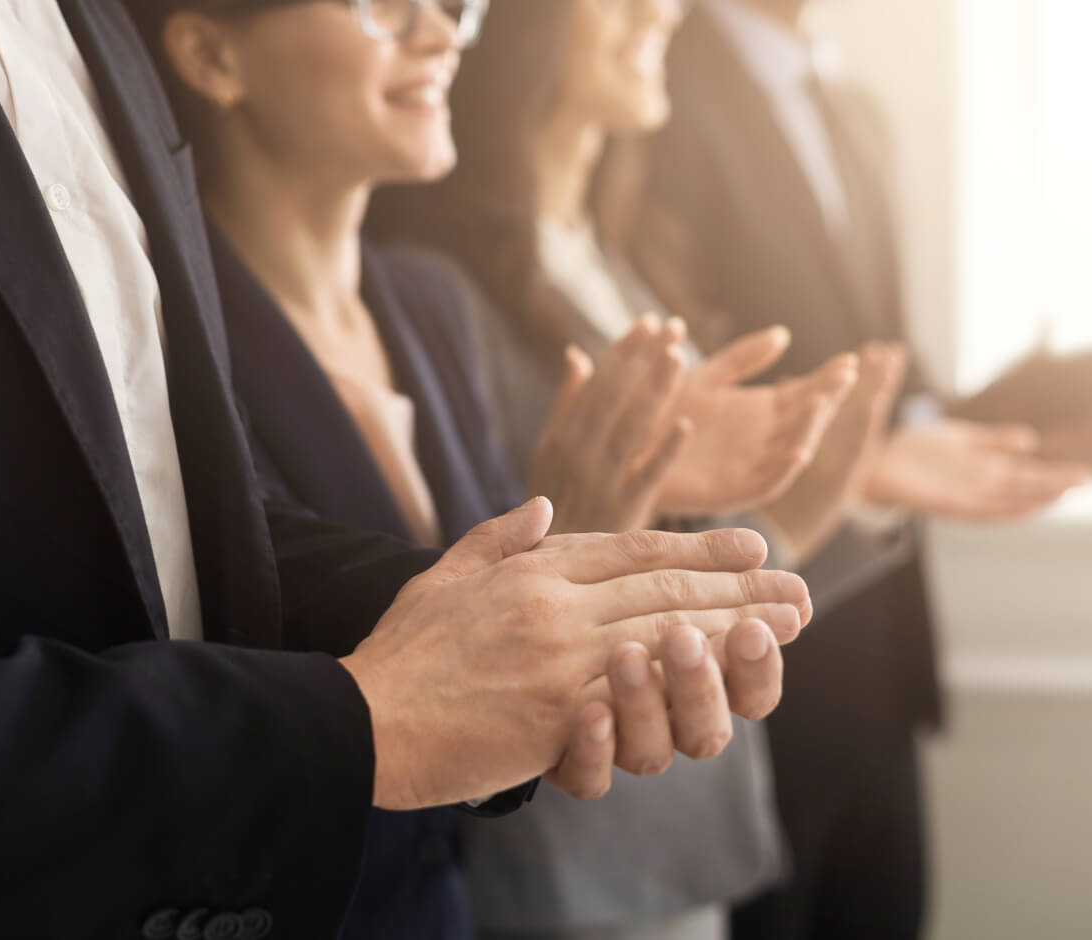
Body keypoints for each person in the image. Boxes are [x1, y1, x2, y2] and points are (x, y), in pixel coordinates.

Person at [0, 2, 816, 936]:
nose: (437, 26)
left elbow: (186, 518)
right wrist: (358, 723)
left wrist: (513, 632)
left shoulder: (89, 27)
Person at [128, 0, 855, 934]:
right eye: (379, 8)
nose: (437, 34)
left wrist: (595, 522)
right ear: (209, 55)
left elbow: (496, 623)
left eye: (449, 6)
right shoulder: (177, 334)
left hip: (463, 897)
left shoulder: (428, 301)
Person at [365, 1, 914, 938]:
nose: (661, 9)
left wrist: (829, 496)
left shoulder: (621, 262)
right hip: (567, 854)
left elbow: (664, 557)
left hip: (679, 828)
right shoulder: (438, 288)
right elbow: (491, 583)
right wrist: (791, 513)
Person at [645, 1, 1092, 936]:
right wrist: (872, 456)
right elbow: (689, 390)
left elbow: (882, 372)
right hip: (757, 662)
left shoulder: (853, 107)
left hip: (881, 646)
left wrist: (987, 415)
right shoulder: (659, 83)